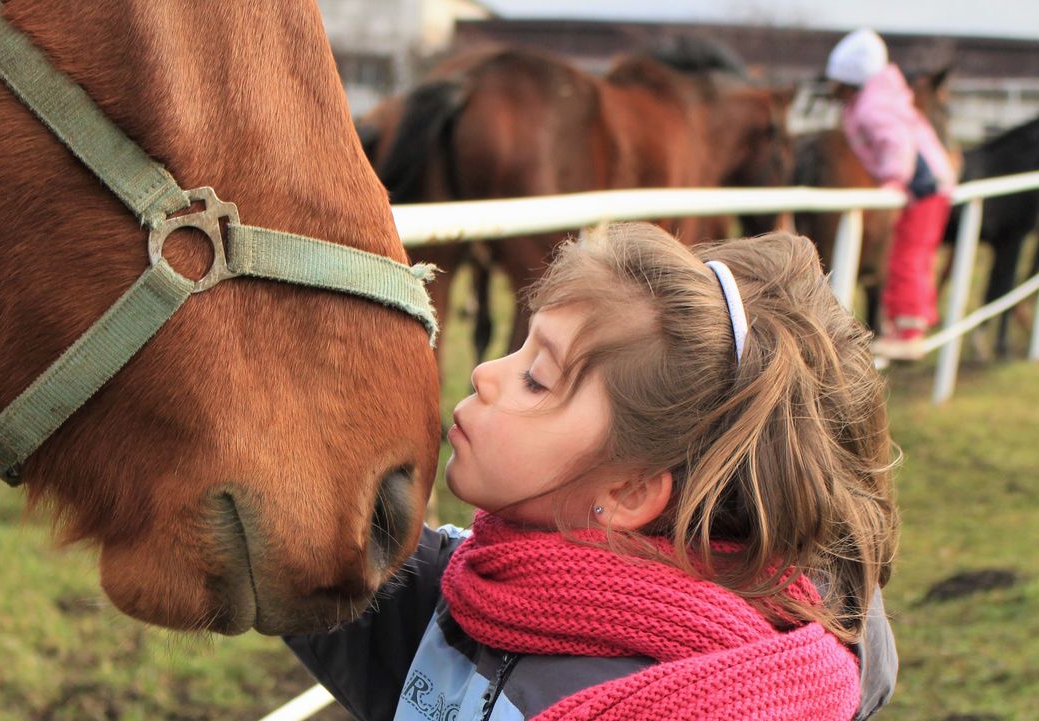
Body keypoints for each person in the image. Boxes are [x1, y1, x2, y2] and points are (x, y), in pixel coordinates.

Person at [287, 223, 900, 721]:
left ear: (628, 491)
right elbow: (300, 529)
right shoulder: (474, 592)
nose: (484, 373)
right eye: (521, 346)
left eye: (538, 378)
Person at [825, 28, 958, 360]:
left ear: (849, 80)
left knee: (906, 257)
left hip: (922, 188)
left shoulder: (873, 106)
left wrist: (894, 181)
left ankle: (908, 335)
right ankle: (914, 321)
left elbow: (898, 145)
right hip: (931, 187)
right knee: (916, 255)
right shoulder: (878, 98)